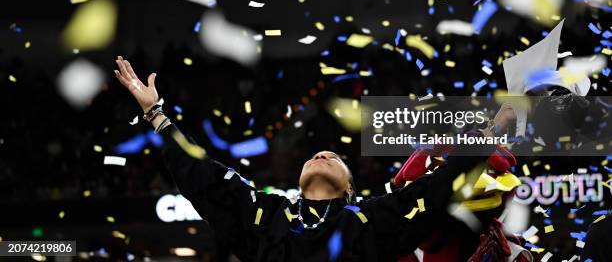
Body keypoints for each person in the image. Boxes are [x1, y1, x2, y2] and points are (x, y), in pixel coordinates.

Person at [114, 56, 513, 262]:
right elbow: (200, 175)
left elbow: (438, 186)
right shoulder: (263, 214)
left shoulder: (372, 220)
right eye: (316, 155)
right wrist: (157, 114)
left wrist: (491, 134)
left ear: (351, 188)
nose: (321, 155)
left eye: (336, 158)